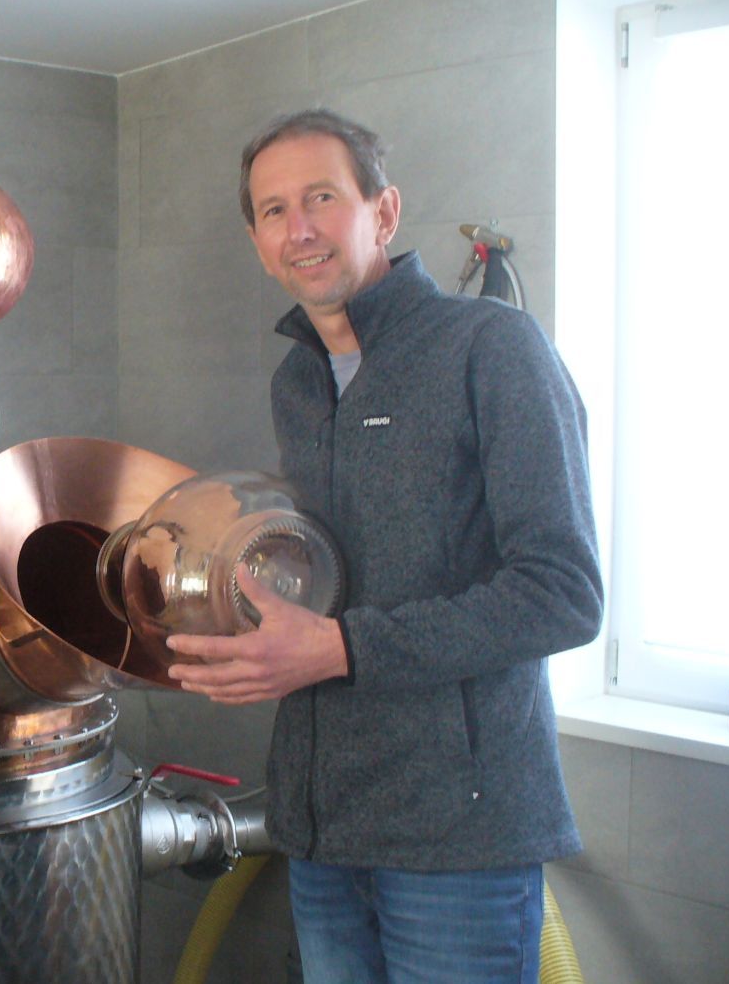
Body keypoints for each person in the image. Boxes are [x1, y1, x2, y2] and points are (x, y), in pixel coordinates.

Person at [166, 109, 603, 983]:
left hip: (458, 837)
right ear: (257, 241)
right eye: (274, 210)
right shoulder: (297, 381)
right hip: (323, 830)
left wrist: (340, 648)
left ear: (385, 211)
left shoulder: (492, 347)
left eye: (322, 197)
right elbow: (339, 570)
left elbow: (563, 593)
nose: (300, 228)